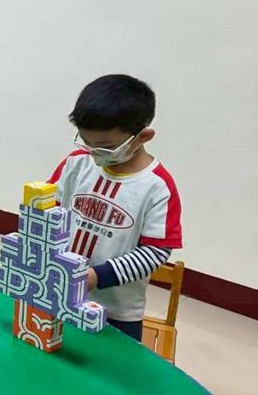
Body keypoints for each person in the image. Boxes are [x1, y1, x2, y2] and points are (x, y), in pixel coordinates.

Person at [49, 74, 182, 341]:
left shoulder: (156, 186)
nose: (94, 153)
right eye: (87, 142)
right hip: (59, 292)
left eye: (106, 147)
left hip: (117, 312)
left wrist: (98, 276)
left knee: (109, 365)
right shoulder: (76, 163)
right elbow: (49, 213)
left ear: (143, 136)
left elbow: (155, 252)